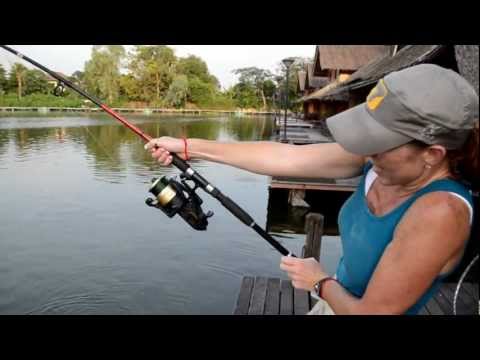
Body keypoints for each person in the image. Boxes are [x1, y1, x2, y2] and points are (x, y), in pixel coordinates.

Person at [145, 64, 479, 315]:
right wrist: (189, 147)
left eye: (380, 142)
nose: (367, 148)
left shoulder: (440, 213)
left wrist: (319, 281)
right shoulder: (379, 160)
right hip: (334, 301)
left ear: (432, 155)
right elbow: (285, 158)